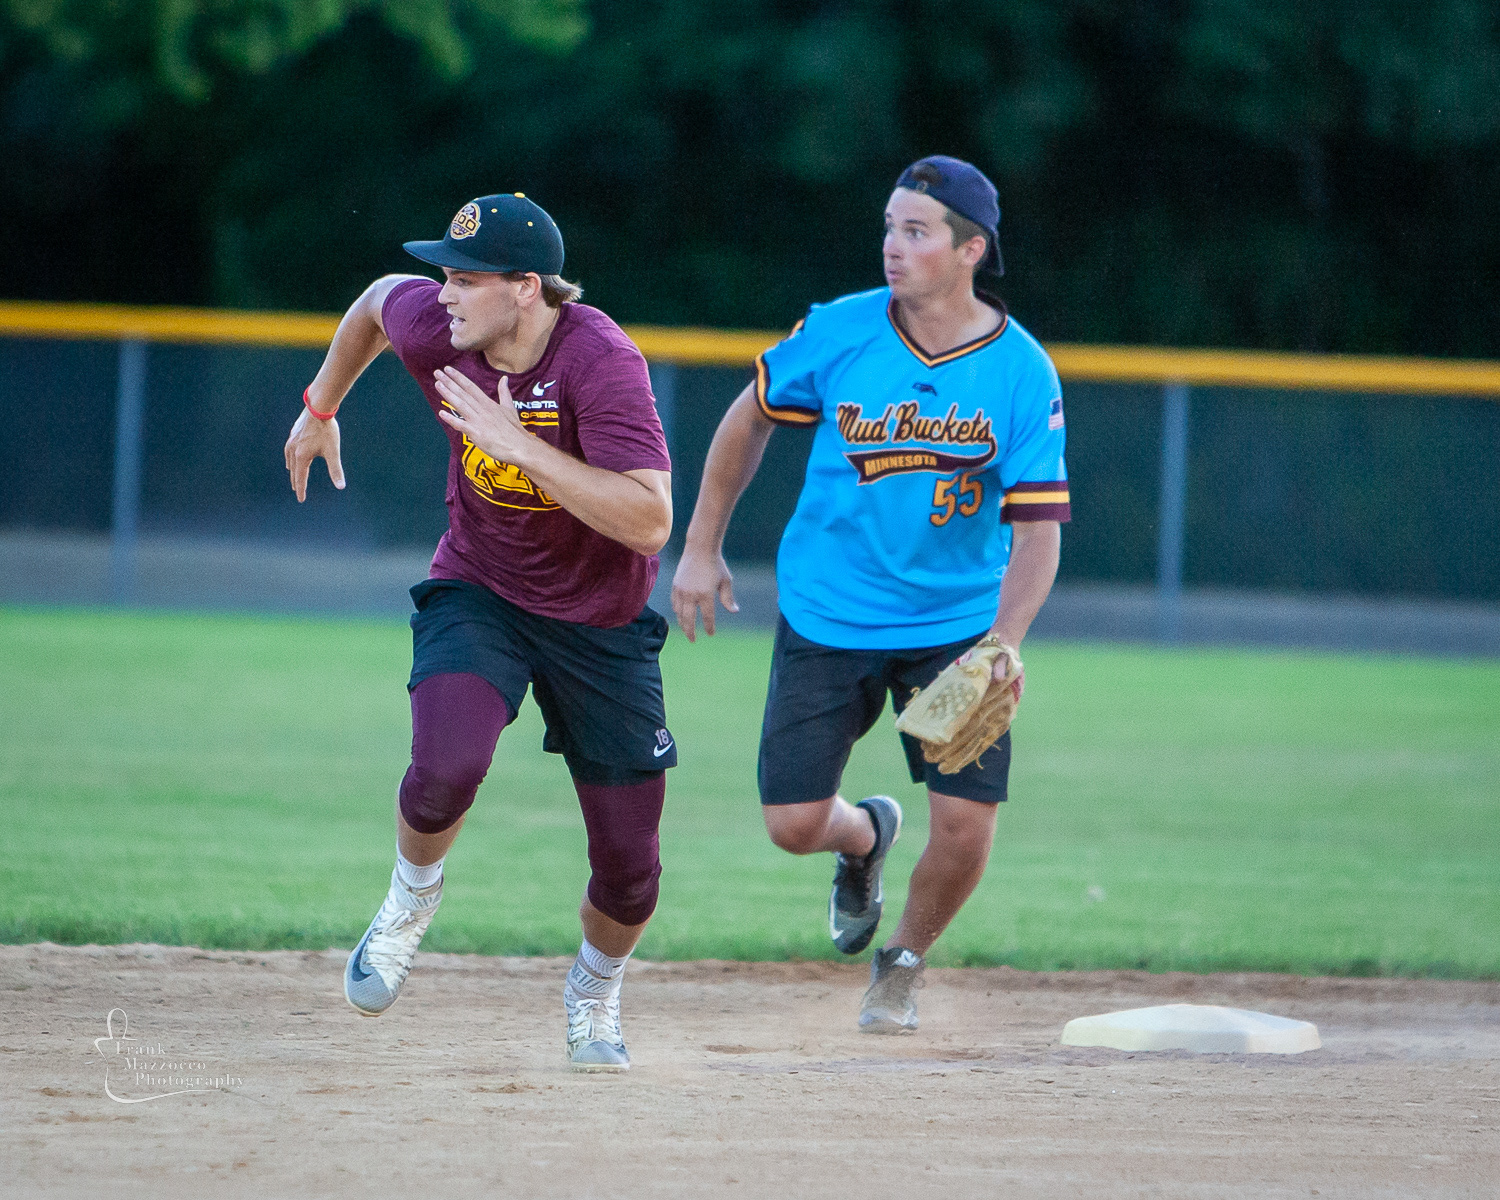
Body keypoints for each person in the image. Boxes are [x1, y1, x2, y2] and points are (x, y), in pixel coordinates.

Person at [671, 155, 1070, 1033]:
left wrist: (1003, 643)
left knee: (965, 824)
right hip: (831, 610)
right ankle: (864, 838)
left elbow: (1039, 532)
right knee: (791, 822)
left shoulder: (1020, 370)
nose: (892, 245)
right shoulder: (841, 329)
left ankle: (903, 963)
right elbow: (748, 418)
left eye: (916, 231)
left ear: (970, 249)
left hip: (958, 627)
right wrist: (700, 547)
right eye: (890, 226)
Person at [283, 193, 676, 1071]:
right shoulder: (441, 328)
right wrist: (320, 407)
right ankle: (410, 899)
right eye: (445, 276)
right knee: (443, 771)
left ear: (526, 287)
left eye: (465, 279)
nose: (445, 294)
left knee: (630, 869)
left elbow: (651, 521)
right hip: (481, 588)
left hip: (600, 621)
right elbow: (374, 303)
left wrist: (519, 442)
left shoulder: (600, 361)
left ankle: (594, 992)